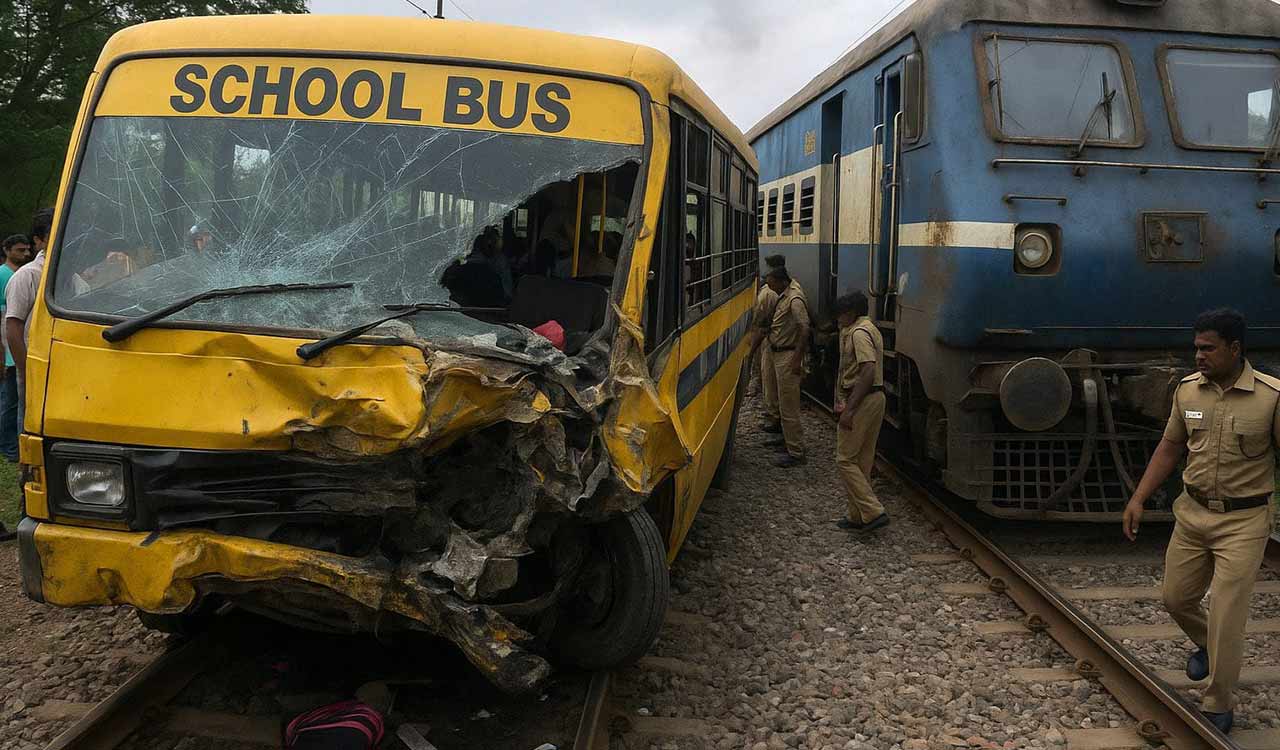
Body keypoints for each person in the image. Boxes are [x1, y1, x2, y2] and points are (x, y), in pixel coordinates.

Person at [1122, 308, 1279, 734]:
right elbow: (1170, 447)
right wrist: (1138, 498)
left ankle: (1218, 703)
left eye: (1208, 348)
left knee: (1228, 614)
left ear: (1235, 349)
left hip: (1244, 521)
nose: (1199, 356)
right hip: (1191, 515)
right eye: (1196, 348)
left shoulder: (1271, 396)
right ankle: (1211, 648)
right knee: (1176, 598)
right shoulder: (1187, 392)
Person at [832, 291, 890, 533]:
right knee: (862, 460)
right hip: (876, 398)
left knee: (844, 459)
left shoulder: (857, 333)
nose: (838, 320)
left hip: (863, 399)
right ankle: (857, 516)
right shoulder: (871, 327)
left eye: (840, 315)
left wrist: (850, 409)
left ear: (850, 313)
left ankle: (873, 511)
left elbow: (867, 370)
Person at [6, 209, 54, 438]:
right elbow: (13, 328)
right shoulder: (27, 276)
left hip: (61, 367)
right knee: (30, 424)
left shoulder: (65, 274)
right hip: (34, 365)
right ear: (39, 240)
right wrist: (26, 369)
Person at [762, 266, 809, 467]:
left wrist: (797, 358)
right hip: (777, 352)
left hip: (787, 355)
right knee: (780, 401)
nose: (768, 286)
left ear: (781, 281)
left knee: (789, 405)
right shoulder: (782, 296)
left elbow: (805, 327)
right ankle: (786, 440)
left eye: (771, 282)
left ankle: (796, 452)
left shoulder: (794, 299)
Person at [0, 234, 32, 462]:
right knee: (10, 400)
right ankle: (9, 446)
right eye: (20, 250)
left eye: (26, 250)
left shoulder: (23, 273)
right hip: (9, 345)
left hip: (19, 344)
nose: (25, 254)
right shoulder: (4, 274)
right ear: (6, 249)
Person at [748, 254, 789, 431]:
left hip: (770, 341)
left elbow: (761, 324)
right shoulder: (782, 292)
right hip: (773, 341)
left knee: (768, 379)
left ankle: (775, 418)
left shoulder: (767, 294)